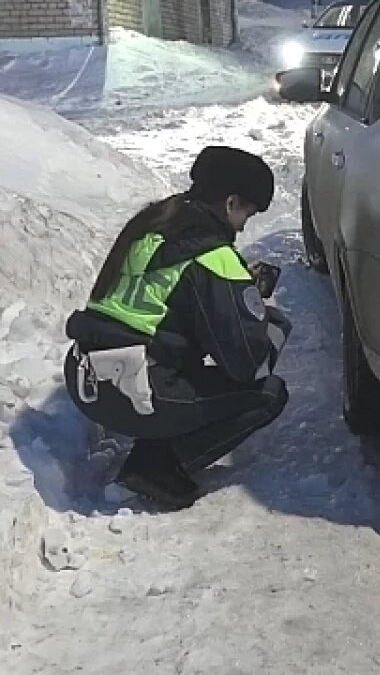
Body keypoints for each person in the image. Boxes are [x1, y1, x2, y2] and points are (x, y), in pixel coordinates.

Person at [62, 146, 292, 510]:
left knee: (186, 366)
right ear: (231, 202)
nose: (246, 223)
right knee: (268, 393)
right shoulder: (213, 259)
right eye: (248, 211)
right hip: (136, 393)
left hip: (85, 376)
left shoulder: (151, 226)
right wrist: (266, 316)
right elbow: (247, 364)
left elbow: (162, 300)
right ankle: (155, 467)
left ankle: (158, 436)